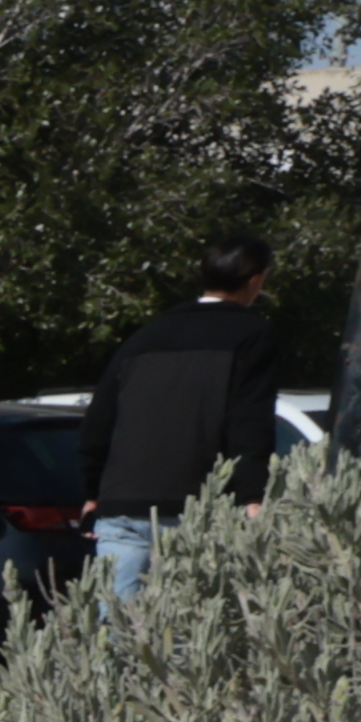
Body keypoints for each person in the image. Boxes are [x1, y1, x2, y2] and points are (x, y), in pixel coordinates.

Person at [81, 234, 291, 590]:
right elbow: (249, 419)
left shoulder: (147, 335)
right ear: (255, 280)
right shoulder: (252, 334)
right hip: (194, 507)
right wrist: (252, 495)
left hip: (122, 504)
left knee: (118, 631)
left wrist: (91, 492)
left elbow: (100, 420)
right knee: (189, 634)